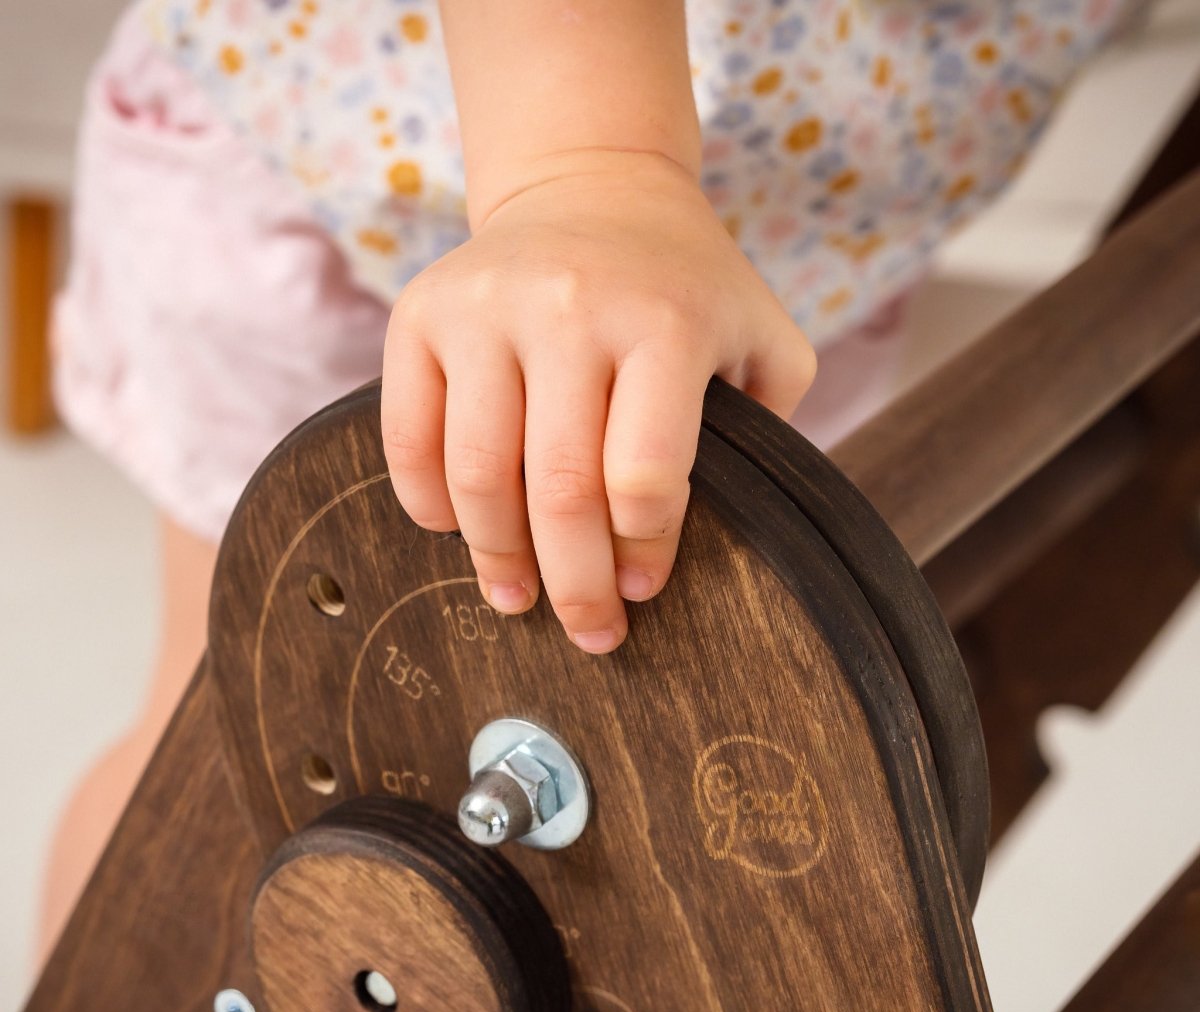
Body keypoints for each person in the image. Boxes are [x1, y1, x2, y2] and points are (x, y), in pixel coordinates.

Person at [40, 0, 1144, 953]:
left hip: (779, 258)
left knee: (634, 761)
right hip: (323, 155)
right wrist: (589, 169)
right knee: (224, 757)